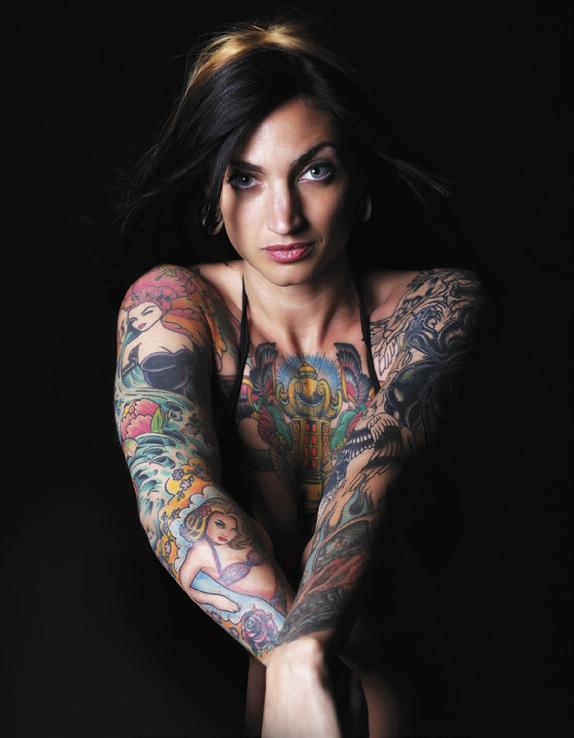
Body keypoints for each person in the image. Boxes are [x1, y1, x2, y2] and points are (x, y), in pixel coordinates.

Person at [111, 11, 492, 737]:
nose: (283, 216)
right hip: (278, 673)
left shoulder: (435, 307)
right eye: (245, 178)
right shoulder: (174, 306)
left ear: (361, 183)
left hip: (402, 667)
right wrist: (295, 662)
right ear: (213, 196)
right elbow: (171, 488)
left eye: (315, 171)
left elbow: (369, 478)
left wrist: (301, 654)